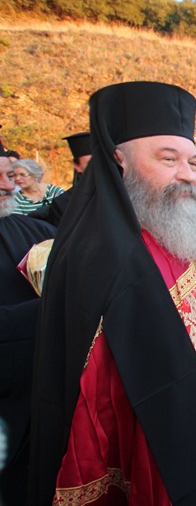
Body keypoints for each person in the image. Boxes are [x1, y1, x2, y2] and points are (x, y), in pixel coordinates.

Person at [28, 82, 196, 504]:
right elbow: (126, 408)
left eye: (191, 160)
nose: (188, 174)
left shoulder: (162, 226)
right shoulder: (104, 258)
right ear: (119, 161)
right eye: (168, 159)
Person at [0, 150, 56, 505]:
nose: (8, 186)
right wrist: (50, 312)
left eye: (9, 174)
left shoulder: (37, 231)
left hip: (41, 409)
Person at [28, 132, 93, 227]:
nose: (98, 167)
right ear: (77, 166)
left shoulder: (120, 191)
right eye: (90, 163)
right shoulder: (64, 204)